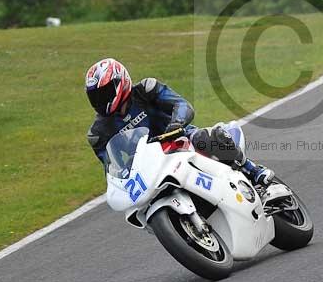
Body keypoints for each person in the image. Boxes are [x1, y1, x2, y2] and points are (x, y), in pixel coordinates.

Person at [85, 57, 274, 186]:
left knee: (204, 137)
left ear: (121, 83)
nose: (100, 100)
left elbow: (183, 105)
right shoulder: (99, 132)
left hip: (179, 139)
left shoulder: (146, 90)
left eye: (105, 93)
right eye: (95, 96)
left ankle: (252, 170)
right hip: (149, 165)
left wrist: (176, 124)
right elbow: (111, 167)